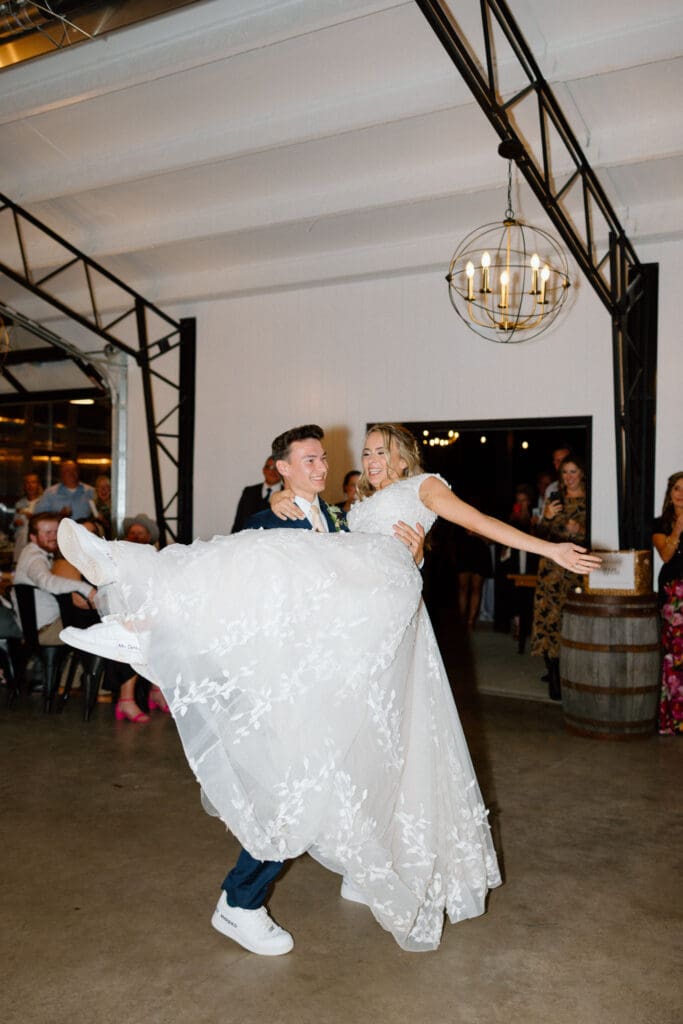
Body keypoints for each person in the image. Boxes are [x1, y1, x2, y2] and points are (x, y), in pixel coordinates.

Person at [56, 424, 599, 954]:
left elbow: (472, 524)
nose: (368, 460)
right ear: (284, 470)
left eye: (379, 451)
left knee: (369, 767)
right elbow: (243, 587)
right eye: (365, 453)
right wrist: (281, 502)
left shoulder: (378, 503)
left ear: (404, 457)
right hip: (309, 676)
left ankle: (357, 870)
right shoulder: (293, 515)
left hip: (372, 657)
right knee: (304, 783)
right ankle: (139, 607)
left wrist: (541, 550)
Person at [530, 456, 588, 700]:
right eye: (565, 472)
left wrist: (581, 530)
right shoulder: (555, 500)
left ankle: (572, 675)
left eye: (573, 471)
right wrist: (546, 517)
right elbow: (539, 537)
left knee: (572, 621)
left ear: (582, 473)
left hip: (576, 572)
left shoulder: (591, 500)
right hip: (551, 571)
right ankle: (553, 677)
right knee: (549, 621)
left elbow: (601, 536)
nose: (569, 477)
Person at [12, 513, 96, 643]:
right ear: (33, 537)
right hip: (48, 629)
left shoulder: (30, 551)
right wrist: (86, 589)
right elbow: (47, 582)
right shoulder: (35, 558)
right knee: (97, 628)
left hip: (41, 625)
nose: (54, 537)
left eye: (56, 532)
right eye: (47, 532)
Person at [652, 471, 683, 735]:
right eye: (677, 488)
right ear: (670, 493)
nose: (681, 494)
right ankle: (675, 719)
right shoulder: (660, 524)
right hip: (674, 594)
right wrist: (678, 528)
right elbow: (665, 555)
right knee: (676, 656)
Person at [231, 456, 283, 533]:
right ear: (263, 470)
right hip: (246, 538)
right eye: (269, 467)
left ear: (282, 471)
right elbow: (239, 522)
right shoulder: (249, 492)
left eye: (276, 468)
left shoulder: (288, 494)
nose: (272, 471)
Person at [12, 472, 43, 565]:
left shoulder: (44, 502)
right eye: (27, 482)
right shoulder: (19, 503)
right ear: (24, 486)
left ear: (38, 485)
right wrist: (16, 523)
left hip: (38, 546)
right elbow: (12, 526)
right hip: (20, 545)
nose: (30, 485)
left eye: (33, 482)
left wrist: (33, 518)